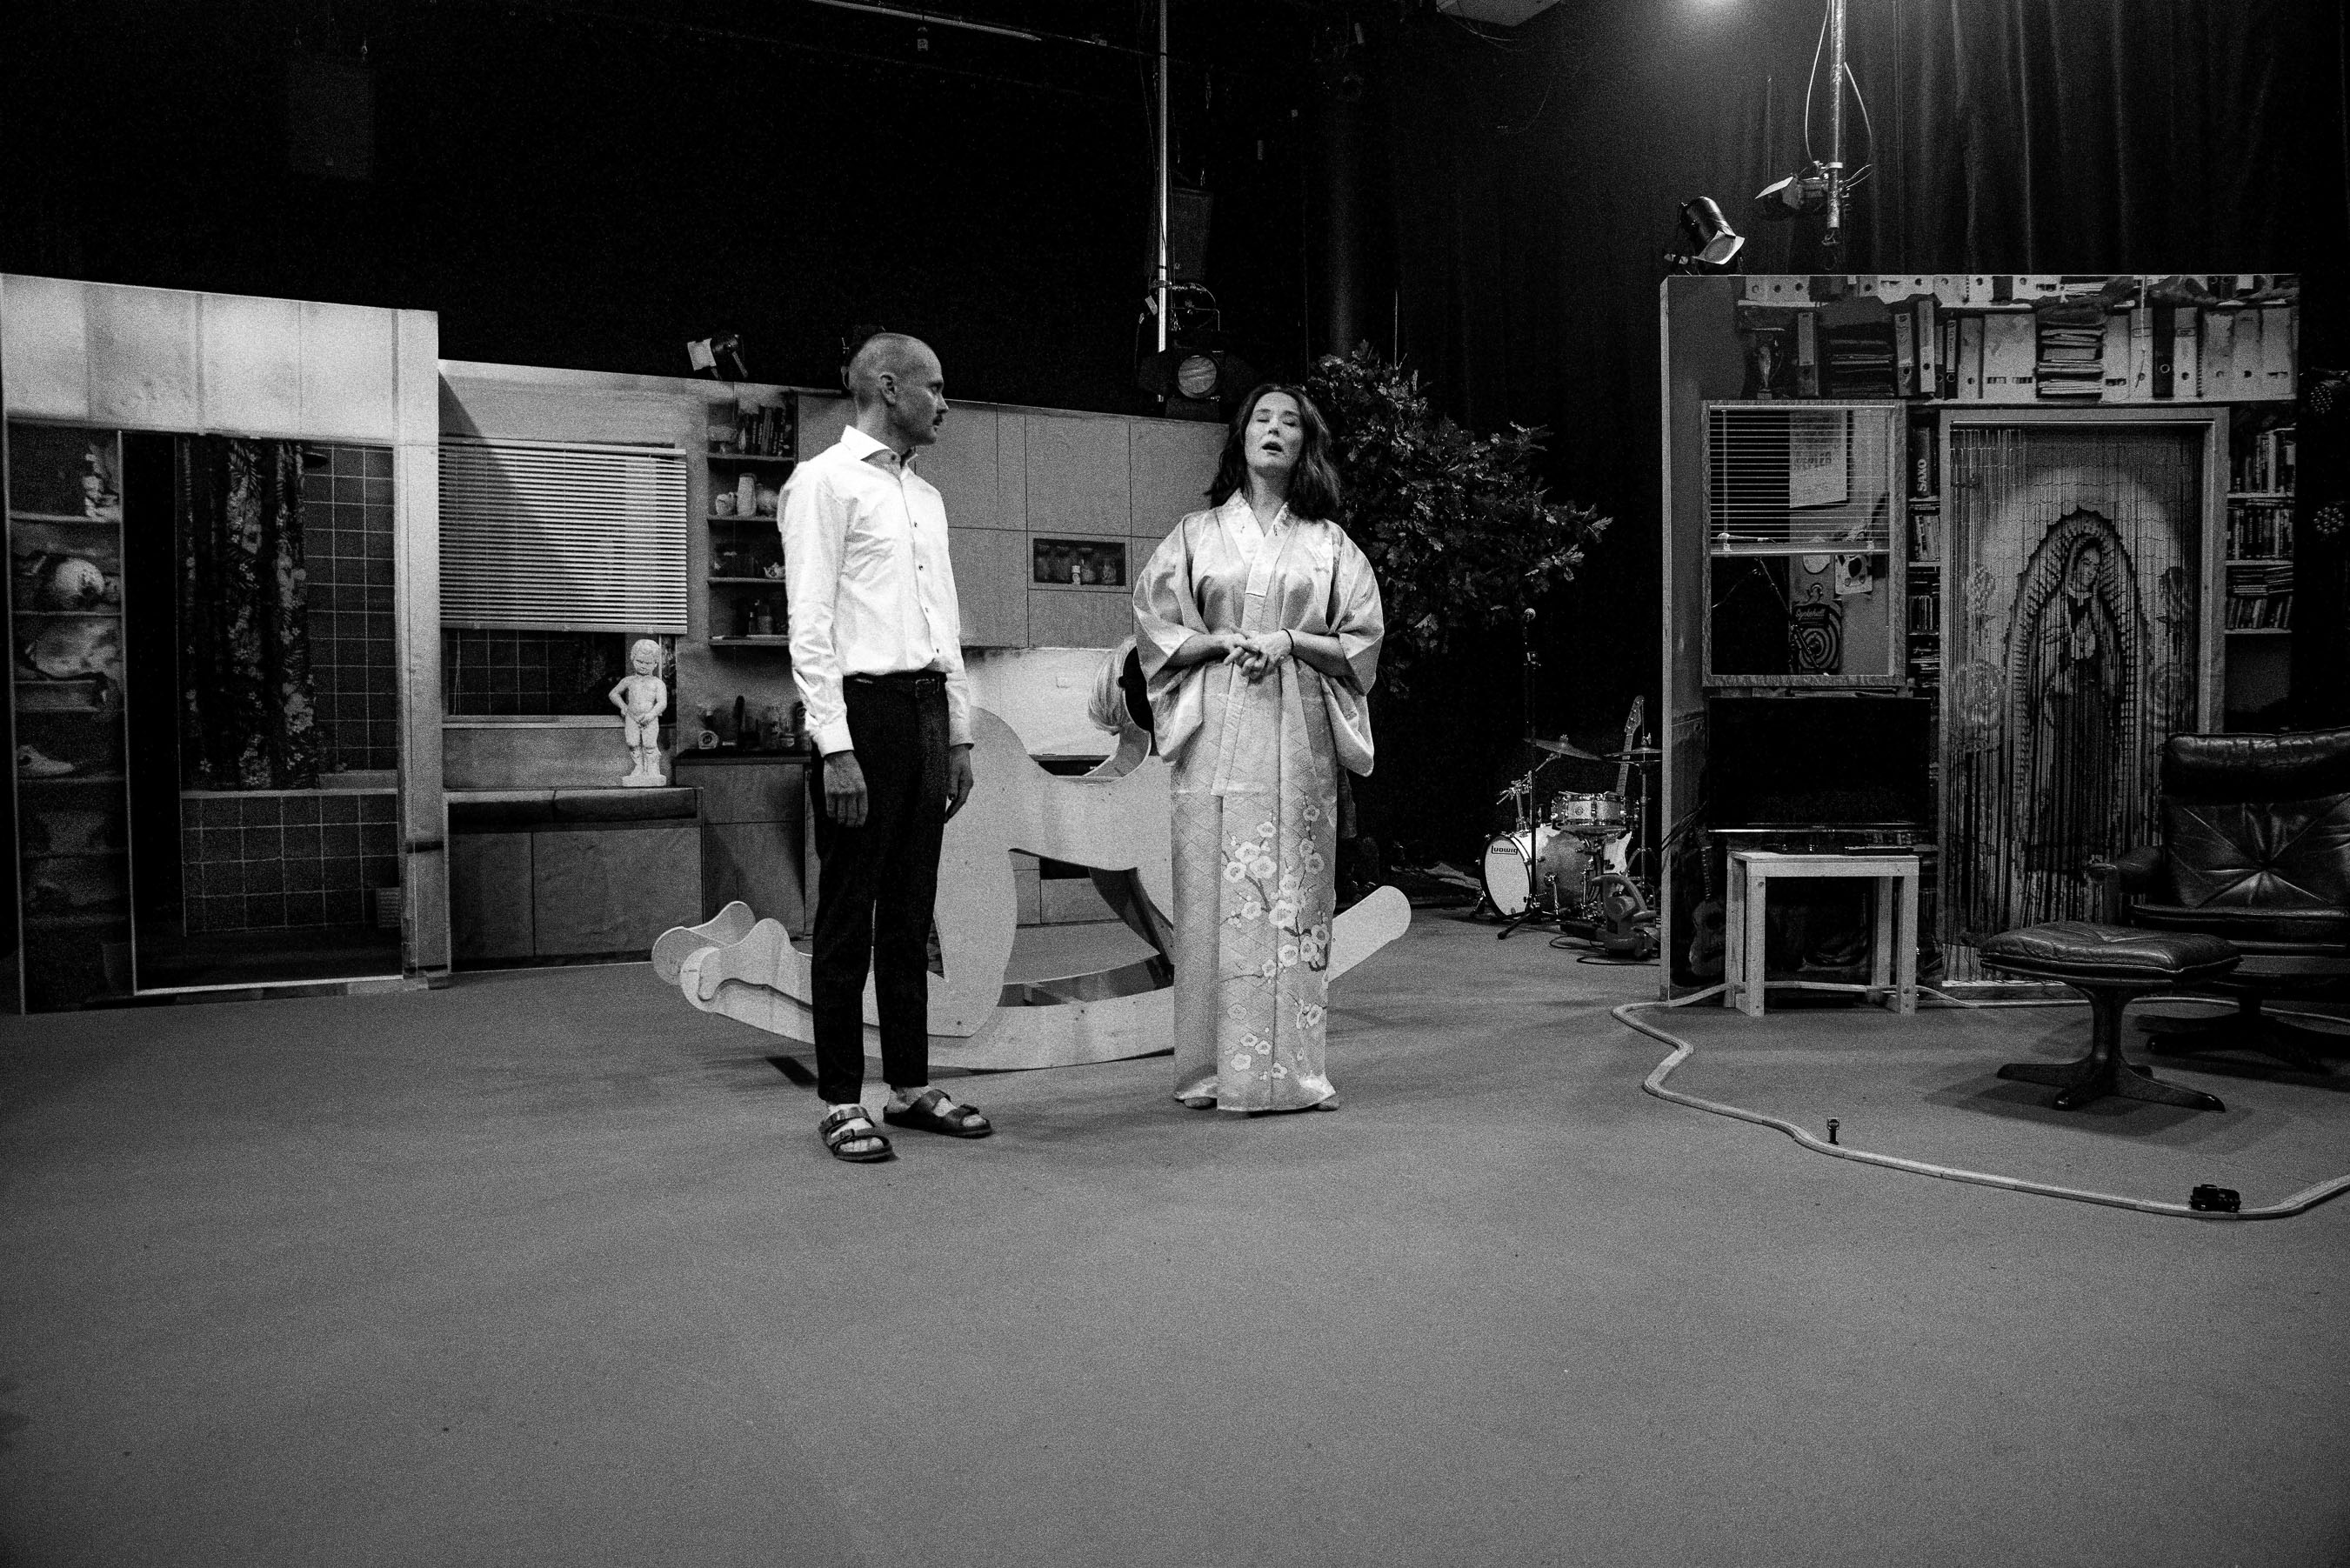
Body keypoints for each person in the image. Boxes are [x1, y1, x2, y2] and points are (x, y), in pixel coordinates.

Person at [1132, 384, 1384, 1113]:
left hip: (1296, 735)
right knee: (1209, 894)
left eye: (1290, 422)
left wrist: (1291, 639)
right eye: (1261, 419)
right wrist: (1218, 640)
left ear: (1306, 445)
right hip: (1217, 730)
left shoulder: (1330, 544)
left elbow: (1362, 639)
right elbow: (1154, 621)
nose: (1274, 430)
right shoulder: (1194, 534)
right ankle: (1211, 1069)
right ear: (1240, 438)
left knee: (1294, 896)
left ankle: (1291, 1072)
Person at [782, 332, 989, 1163]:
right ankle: (840, 1099)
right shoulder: (822, 482)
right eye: (935, 388)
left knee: (910, 915)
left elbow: (945, 624)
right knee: (846, 918)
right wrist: (834, 747)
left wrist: (959, 734)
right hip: (861, 716)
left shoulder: (926, 497)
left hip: (926, 713)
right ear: (890, 386)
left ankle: (908, 1086)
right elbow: (809, 625)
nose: (946, 404)